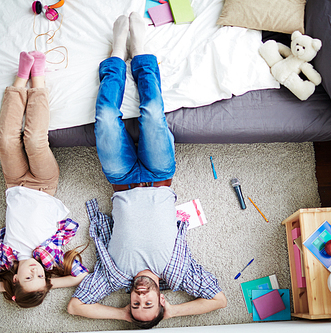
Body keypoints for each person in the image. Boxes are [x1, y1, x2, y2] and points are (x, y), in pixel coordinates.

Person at [67, 13, 227, 328]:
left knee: (105, 118)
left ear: (129, 301)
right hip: (159, 176)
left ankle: (116, 53)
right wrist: (172, 312)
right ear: (160, 300)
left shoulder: (114, 275)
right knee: (153, 114)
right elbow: (219, 300)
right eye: (148, 303)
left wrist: (119, 315)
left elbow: (75, 306)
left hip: (122, 180)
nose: (141, 296)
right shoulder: (179, 274)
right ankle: (139, 50)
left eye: (135, 304)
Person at [0, 51, 89, 308]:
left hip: (14, 183)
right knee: (34, 140)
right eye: (39, 276)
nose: (34, 270)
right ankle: (39, 80)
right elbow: (81, 276)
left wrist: (8, 286)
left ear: (15, 278)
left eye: (27, 277)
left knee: (6, 141)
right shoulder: (51, 257)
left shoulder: (3, 259)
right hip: (44, 185)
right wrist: (48, 282)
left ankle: (20, 80)